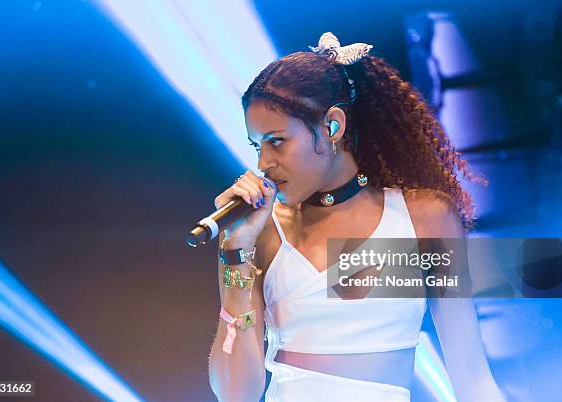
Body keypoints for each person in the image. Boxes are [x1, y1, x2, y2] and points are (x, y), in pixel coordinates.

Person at [208, 32, 506, 402]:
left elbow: (473, 379)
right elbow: (236, 394)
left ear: (333, 126)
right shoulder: (261, 234)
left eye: (277, 141)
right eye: (257, 145)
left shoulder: (423, 219)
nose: (263, 163)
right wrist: (234, 253)